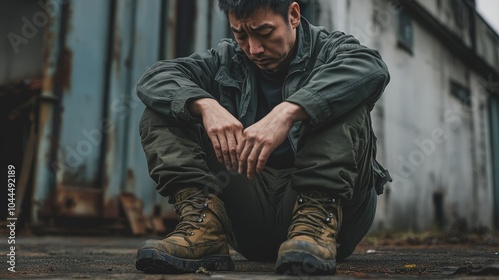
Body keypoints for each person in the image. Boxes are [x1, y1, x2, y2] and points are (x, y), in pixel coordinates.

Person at [134, 0, 391, 275]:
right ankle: (203, 230)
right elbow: (154, 78)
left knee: (345, 101)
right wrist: (205, 105)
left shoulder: (330, 49)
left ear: (293, 15)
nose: (254, 48)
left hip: (334, 225)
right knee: (164, 109)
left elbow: (372, 67)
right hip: (250, 215)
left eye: (264, 32)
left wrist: (290, 111)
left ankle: (314, 226)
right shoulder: (226, 60)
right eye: (241, 34)